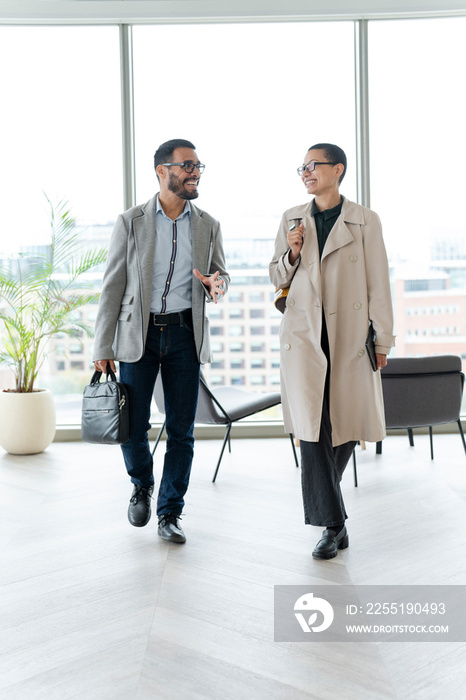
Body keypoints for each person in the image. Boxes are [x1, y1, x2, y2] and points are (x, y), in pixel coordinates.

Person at [93, 138, 229, 544]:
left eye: (198, 166)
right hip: (139, 334)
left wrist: (217, 283)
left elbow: (221, 277)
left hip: (186, 335)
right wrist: (103, 345)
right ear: (162, 171)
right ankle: (141, 484)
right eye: (187, 165)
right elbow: (112, 285)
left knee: (182, 430)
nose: (195, 172)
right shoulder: (131, 221)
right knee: (133, 425)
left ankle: (170, 512)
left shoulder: (208, 225)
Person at [269, 143, 395, 560]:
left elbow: (379, 283)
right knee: (313, 430)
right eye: (301, 167)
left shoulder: (364, 221)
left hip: (349, 335)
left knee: (343, 425)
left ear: (337, 169)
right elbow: (275, 274)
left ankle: (331, 522)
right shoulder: (292, 218)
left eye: (313, 165)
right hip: (305, 336)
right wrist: (292, 251)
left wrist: (383, 339)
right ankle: (332, 525)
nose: (305, 172)